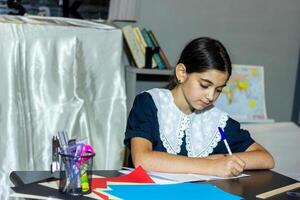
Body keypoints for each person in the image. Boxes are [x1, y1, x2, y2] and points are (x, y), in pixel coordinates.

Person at [124, 37, 274, 177]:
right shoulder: (150, 103)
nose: (211, 96)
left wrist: (223, 159)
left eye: (219, 89)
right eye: (205, 85)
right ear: (182, 73)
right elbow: (142, 159)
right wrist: (211, 166)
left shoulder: (216, 120)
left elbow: (266, 158)